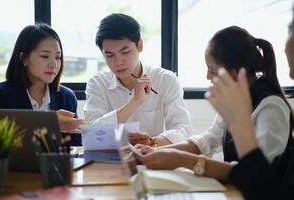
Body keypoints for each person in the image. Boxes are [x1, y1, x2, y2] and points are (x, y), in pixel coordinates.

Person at [134, 26, 293, 184]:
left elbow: (253, 172)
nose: (208, 76)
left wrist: (183, 160)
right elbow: (208, 140)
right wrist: (154, 152)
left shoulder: (271, 107)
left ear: (237, 72)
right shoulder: (235, 99)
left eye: (212, 70)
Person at [84, 13, 193, 146]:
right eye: (110, 55)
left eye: (125, 52)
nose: (118, 62)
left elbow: (184, 130)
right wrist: (135, 101)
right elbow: (92, 133)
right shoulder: (97, 83)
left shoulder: (165, 80)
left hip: (153, 158)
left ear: (140, 45)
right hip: (110, 160)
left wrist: (152, 142)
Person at [0, 24, 85, 146]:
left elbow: (75, 146)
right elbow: (0, 146)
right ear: (24, 58)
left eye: (58, 57)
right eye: (45, 56)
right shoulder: (0, 95)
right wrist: (49, 124)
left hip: (58, 165)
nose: (54, 64)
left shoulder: (66, 97)